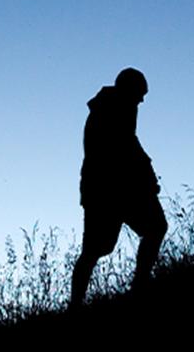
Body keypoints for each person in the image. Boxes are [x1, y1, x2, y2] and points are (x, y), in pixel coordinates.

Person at [71, 68, 167, 308]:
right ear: (129, 88)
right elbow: (125, 147)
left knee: (154, 228)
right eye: (140, 94)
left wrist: (146, 174)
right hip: (109, 190)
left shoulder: (115, 106)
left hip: (114, 188)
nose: (142, 100)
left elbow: (129, 145)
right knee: (96, 250)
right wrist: (146, 174)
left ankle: (138, 285)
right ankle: (77, 303)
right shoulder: (113, 108)